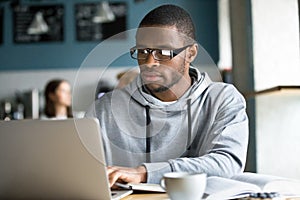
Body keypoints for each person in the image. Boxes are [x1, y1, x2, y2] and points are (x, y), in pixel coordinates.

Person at [86, 4, 248, 187]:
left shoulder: (223, 100)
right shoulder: (104, 109)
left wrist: (145, 173)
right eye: (142, 51)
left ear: (191, 53)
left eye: (163, 52)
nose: (150, 62)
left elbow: (228, 163)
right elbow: (82, 170)